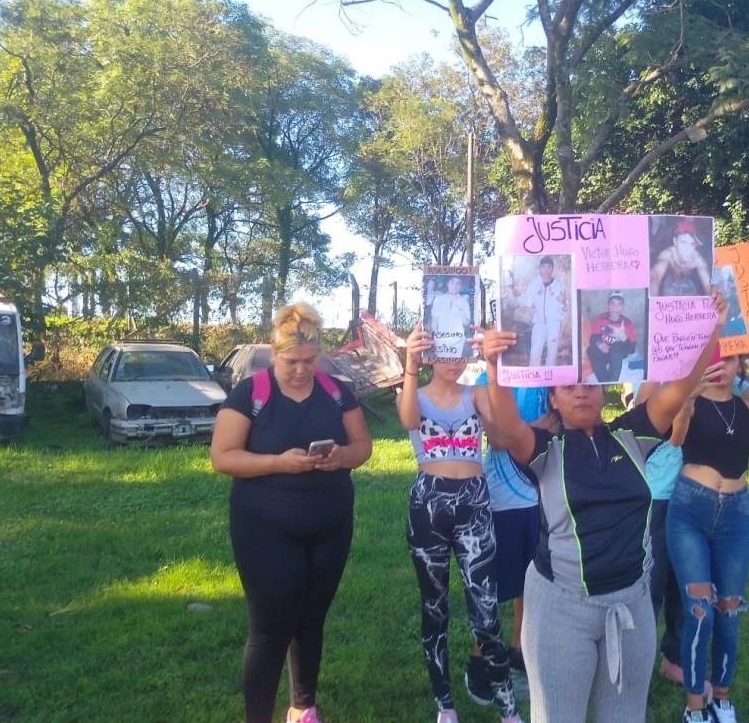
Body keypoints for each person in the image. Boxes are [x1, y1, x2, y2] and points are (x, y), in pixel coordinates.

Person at [479, 289, 728, 723]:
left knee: (626, 717)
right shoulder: (544, 449)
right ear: (552, 398)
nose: (581, 393)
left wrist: (712, 328)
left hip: (630, 606)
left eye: (590, 384)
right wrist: (493, 367)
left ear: (604, 391)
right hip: (560, 609)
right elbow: (504, 425)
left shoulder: (631, 435)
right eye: (569, 387)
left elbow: (684, 381)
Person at [210, 303, 373, 723]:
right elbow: (223, 457)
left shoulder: (338, 391)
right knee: (269, 629)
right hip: (265, 526)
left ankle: (303, 707)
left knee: (310, 619)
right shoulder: (251, 393)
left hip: (330, 525)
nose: (301, 370)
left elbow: (363, 448)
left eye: (309, 361)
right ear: (273, 352)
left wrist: (340, 457)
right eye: (291, 362)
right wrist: (280, 463)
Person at [636, 323, 749, 696]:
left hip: (703, 498)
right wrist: (667, 357)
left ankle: (674, 658)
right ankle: (634, 666)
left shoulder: (724, 378)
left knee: (685, 589)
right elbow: (643, 408)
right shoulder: (670, 371)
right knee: (650, 585)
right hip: (657, 491)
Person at [666, 341, 749, 723]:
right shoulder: (690, 401)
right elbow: (676, 438)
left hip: (736, 516)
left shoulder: (745, 407)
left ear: (739, 361)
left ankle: (721, 698)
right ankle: (694, 707)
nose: (720, 365)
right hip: (690, 510)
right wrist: (688, 399)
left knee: (728, 610)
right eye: (713, 358)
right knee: (699, 611)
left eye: (728, 357)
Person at [398, 324, 524, 723]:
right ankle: (445, 706)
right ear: (431, 355)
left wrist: (492, 359)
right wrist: (410, 364)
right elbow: (407, 420)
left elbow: (502, 437)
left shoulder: (477, 394)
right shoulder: (414, 395)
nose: (452, 363)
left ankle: (508, 709)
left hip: (473, 504)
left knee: (486, 613)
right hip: (428, 504)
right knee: (434, 609)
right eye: (444, 354)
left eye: (459, 354)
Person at [464, 375, 549, 701]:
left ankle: (518, 650)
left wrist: (529, 431)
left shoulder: (549, 370)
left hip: (542, 491)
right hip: (502, 497)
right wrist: (538, 428)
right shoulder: (490, 376)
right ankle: (479, 658)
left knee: (534, 580)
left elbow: (562, 424)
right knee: (494, 583)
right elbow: (498, 439)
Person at [513, 255, 567, 366]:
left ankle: (550, 377)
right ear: (540, 269)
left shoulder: (559, 286)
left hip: (554, 323)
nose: (546, 270)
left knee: (552, 352)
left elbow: (566, 306)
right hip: (539, 323)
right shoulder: (534, 285)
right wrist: (517, 296)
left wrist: (564, 301)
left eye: (549, 267)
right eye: (543, 267)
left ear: (552, 269)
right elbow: (527, 302)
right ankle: (534, 378)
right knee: (535, 351)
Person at [650, 221, 712, 297]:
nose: (687, 249)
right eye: (683, 242)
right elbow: (655, 276)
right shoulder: (668, 255)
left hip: (689, 286)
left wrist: (712, 299)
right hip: (669, 286)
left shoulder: (698, 260)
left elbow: (707, 284)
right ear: (675, 241)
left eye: (691, 243)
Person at [586, 292, 637, 382]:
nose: (615, 308)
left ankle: (612, 381)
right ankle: (604, 382)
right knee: (591, 350)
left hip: (618, 354)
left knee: (617, 346)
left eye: (619, 304)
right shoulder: (601, 319)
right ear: (608, 306)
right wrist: (599, 343)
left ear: (623, 307)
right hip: (604, 353)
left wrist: (624, 338)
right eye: (612, 304)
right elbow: (593, 337)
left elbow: (632, 350)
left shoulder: (627, 324)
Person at [429, 275, 473, 360]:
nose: (454, 285)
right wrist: (436, 338)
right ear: (448, 284)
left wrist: (461, 311)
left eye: (458, 283)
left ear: (460, 286)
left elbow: (466, 322)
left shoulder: (464, 302)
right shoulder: (438, 299)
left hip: (457, 340)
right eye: (452, 282)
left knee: (455, 365)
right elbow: (435, 320)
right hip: (441, 340)